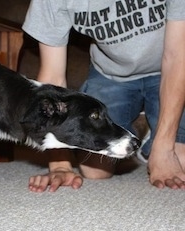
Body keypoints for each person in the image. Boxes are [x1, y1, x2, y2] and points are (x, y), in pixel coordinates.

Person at [22, 0, 185, 191]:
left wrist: (164, 148)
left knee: (180, 160)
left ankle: (152, 139)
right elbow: (53, 79)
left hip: (167, 70)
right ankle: (140, 129)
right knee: (95, 171)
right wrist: (60, 165)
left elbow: (176, 57)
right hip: (111, 74)